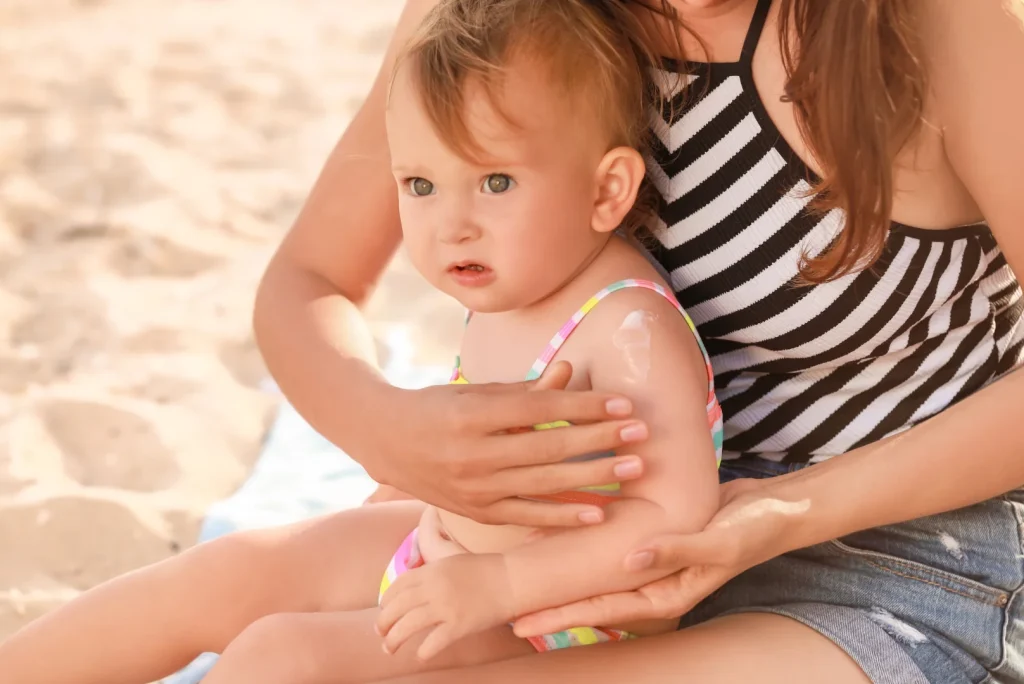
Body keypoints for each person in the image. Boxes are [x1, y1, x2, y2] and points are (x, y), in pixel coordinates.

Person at [2, 0, 1022, 682]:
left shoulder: (927, 23)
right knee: (247, 608)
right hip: (579, 536)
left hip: (900, 560)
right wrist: (390, 430)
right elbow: (306, 280)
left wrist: (780, 513)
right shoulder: (503, 22)